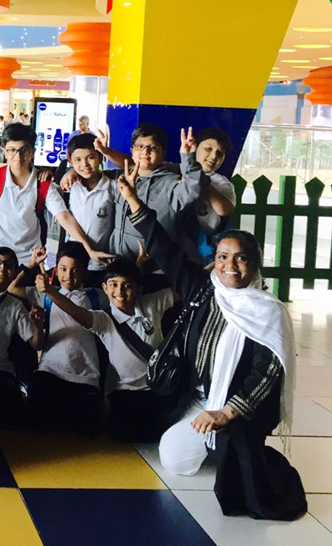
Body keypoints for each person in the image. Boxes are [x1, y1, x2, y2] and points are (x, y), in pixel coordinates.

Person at [120, 160, 305, 520]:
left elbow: (266, 374)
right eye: (222, 257)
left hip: (237, 407)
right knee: (173, 457)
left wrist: (226, 412)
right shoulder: (205, 290)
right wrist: (132, 199)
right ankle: (218, 445)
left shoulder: (267, 311)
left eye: (240, 258)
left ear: (254, 263)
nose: (230, 266)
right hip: (197, 397)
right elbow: (165, 250)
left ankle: (240, 446)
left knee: (234, 469)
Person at [37, 253, 176, 442]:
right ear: (105, 288)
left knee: (161, 433)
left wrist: (214, 268)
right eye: (113, 285)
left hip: (157, 387)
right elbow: (76, 311)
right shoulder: (103, 320)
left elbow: (189, 286)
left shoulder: (153, 303)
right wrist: (50, 292)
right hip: (125, 391)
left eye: (127, 286)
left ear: (138, 289)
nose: (119, 291)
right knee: (124, 434)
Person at [0, 124, 108, 268]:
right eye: (12, 150)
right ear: (4, 152)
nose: (18, 156)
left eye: (23, 150)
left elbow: (64, 217)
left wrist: (89, 248)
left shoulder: (43, 185)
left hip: (29, 261)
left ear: (33, 151)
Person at [68, 124, 207, 264]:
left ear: (163, 153)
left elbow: (193, 189)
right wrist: (71, 172)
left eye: (153, 147)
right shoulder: (120, 177)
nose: (145, 151)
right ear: (132, 151)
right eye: (140, 147)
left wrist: (188, 157)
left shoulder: (171, 183)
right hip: (119, 264)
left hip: (155, 267)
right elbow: (91, 173)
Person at [13, 243, 105, 435]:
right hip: (50, 370)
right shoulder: (45, 295)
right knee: (37, 422)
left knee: (85, 429)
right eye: (63, 269)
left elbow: (121, 291)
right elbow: (12, 288)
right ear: (56, 270)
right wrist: (32, 264)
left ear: (85, 273)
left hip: (86, 376)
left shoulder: (96, 296)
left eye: (75, 270)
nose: (68, 275)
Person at [0, 248, 45, 426]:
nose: (2, 267)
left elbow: (36, 344)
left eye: (8, 265)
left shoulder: (15, 306)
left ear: (13, 273)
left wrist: (38, 325)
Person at [46, 133, 117, 283]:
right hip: (71, 264)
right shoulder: (69, 187)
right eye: (78, 160)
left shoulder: (112, 188)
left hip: (101, 264)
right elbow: (58, 223)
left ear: (101, 157)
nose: (84, 164)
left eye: (90, 157)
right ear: (69, 160)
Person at [187, 127, 237, 263]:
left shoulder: (222, 183)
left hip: (204, 247)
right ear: (195, 148)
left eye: (219, 153)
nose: (214, 156)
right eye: (208, 149)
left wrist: (203, 181)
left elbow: (224, 210)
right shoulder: (178, 172)